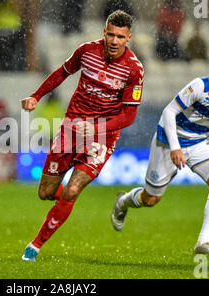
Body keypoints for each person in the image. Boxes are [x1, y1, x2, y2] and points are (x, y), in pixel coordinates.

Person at [111, 54, 209, 255]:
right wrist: (175, 147)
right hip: (168, 139)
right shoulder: (201, 86)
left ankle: (203, 243)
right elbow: (169, 112)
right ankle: (123, 201)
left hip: (198, 141)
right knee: (150, 199)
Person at [20, 10, 144, 261]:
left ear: (128, 37)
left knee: (72, 190)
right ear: (104, 32)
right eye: (111, 34)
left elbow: (128, 116)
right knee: (45, 193)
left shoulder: (134, 70)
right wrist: (36, 95)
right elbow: (62, 72)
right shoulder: (87, 51)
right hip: (71, 129)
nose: (114, 40)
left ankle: (35, 245)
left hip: (102, 137)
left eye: (120, 36)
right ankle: (65, 201)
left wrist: (97, 129)